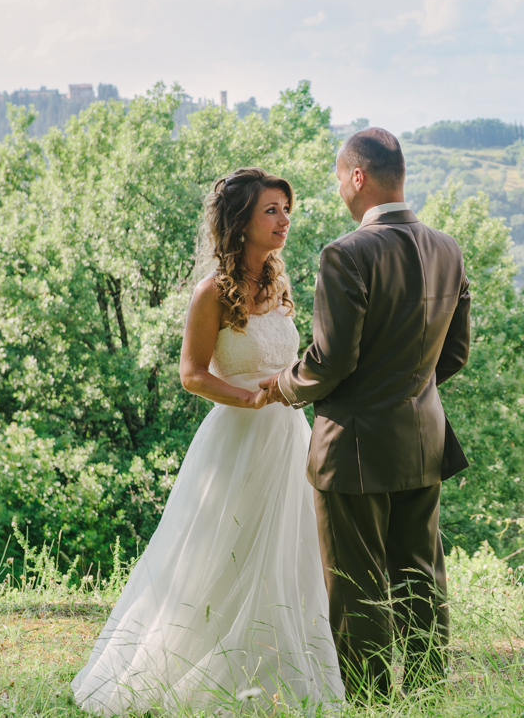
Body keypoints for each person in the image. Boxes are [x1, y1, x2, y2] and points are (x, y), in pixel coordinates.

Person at [71, 168, 343, 714]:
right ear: (241, 221)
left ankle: (279, 672)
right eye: (272, 210)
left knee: (287, 553)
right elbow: (192, 373)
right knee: (223, 553)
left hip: (288, 436)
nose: (284, 220)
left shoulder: (279, 282)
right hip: (237, 438)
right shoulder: (211, 293)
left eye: (287, 209)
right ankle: (188, 666)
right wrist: (252, 400)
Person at [260, 127, 471, 702]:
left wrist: (280, 384)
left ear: (358, 177)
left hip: (352, 446)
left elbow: (329, 363)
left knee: (357, 591)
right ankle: (427, 702)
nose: (339, 192)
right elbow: (454, 354)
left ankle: (373, 705)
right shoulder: (448, 248)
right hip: (423, 438)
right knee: (420, 579)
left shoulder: (345, 253)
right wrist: (407, 394)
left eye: (338, 180)